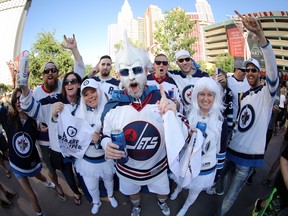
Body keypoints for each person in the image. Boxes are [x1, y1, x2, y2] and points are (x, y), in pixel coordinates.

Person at [101, 38, 187, 216]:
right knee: (133, 194)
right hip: (127, 171)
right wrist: (105, 145)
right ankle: (136, 206)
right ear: (120, 77)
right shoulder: (114, 105)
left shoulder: (159, 99)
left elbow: (182, 129)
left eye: (137, 70)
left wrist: (174, 110)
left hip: (158, 169)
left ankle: (162, 203)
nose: (131, 76)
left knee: (163, 192)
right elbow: (105, 135)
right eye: (125, 72)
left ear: (146, 71)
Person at [216, 10, 278, 216]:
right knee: (215, 178)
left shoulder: (266, 94)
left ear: (259, 73)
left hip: (247, 159)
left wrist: (260, 37)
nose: (249, 73)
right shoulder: (245, 94)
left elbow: (272, 69)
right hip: (232, 150)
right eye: (247, 70)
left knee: (231, 196)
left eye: (253, 70)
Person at [20, 34, 85, 200]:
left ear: (58, 74)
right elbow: (31, 109)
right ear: (42, 75)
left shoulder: (64, 87)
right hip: (47, 142)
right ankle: (60, 187)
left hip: (68, 138)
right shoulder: (36, 93)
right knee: (54, 169)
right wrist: (24, 87)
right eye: (46, 71)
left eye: (53, 70)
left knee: (78, 167)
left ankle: (82, 186)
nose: (50, 73)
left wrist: (74, 49)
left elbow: (78, 74)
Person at [55, 78, 117, 214]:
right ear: (82, 97)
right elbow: (68, 130)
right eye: (86, 94)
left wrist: (100, 138)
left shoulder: (110, 109)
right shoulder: (77, 113)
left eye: (93, 91)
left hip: (106, 157)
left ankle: (111, 195)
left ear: (98, 91)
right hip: (88, 159)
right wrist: (55, 115)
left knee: (109, 179)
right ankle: (96, 202)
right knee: (92, 186)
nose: (90, 96)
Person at [170, 77, 227, 216]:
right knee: (182, 179)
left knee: (194, 190)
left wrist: (218, 172)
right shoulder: (188, 114)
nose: (205, 99)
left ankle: (186, 207)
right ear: (196, 95)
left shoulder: (220, 121)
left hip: (205, 166)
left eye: (210, 95)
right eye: (202, 94)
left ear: (215, 97)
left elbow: (222, 149)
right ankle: (178, 188)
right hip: (187, 161)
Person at [0, 88, 55, 216]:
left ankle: (47, 183)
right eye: (16, 99)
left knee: (41, 177)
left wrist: (42, 126)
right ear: (13, 102)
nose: (19, 102)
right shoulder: (8, 118)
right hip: (17, 166)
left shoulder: (34, 119)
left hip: (32, 163)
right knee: (31, 195)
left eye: (22, 98)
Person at [168, 50, 209, 116]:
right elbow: (156, 69)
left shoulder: (203, 76)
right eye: (181, 60)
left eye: (187, 59)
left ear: (191, 60)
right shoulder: (175, 75)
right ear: (177, 63)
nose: (185, 62)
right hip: (184, 117)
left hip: (202, 115)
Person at [252, 143, 288, 215]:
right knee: (273, 208)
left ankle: (259, 204)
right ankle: (259, 205)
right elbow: (284, 159)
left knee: (272, 202)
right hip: (283, 190)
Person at [227, 60, 250, 125]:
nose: (245, 73)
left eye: (246, 71)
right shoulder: (228, 81)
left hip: (245, 119)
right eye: (243, 70)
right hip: (232, 119)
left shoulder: (248, 82)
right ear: (236, 69)